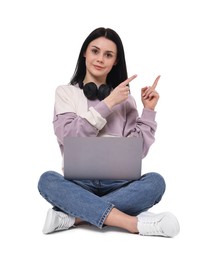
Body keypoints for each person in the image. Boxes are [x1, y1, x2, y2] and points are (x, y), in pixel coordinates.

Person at [38, 27, 180, 237]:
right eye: (95, 51)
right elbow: (70, 138)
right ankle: (133, 224)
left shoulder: (127, 101)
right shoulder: (66, 93)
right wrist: (109, 102)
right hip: (79, 184)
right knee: (47, 180)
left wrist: (148, 111)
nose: (100, 59)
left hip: (120, 185)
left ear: (115, 61)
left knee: (155, 182)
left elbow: (136, 152)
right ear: (85, 52)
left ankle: (74, 217)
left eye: (108, 55)